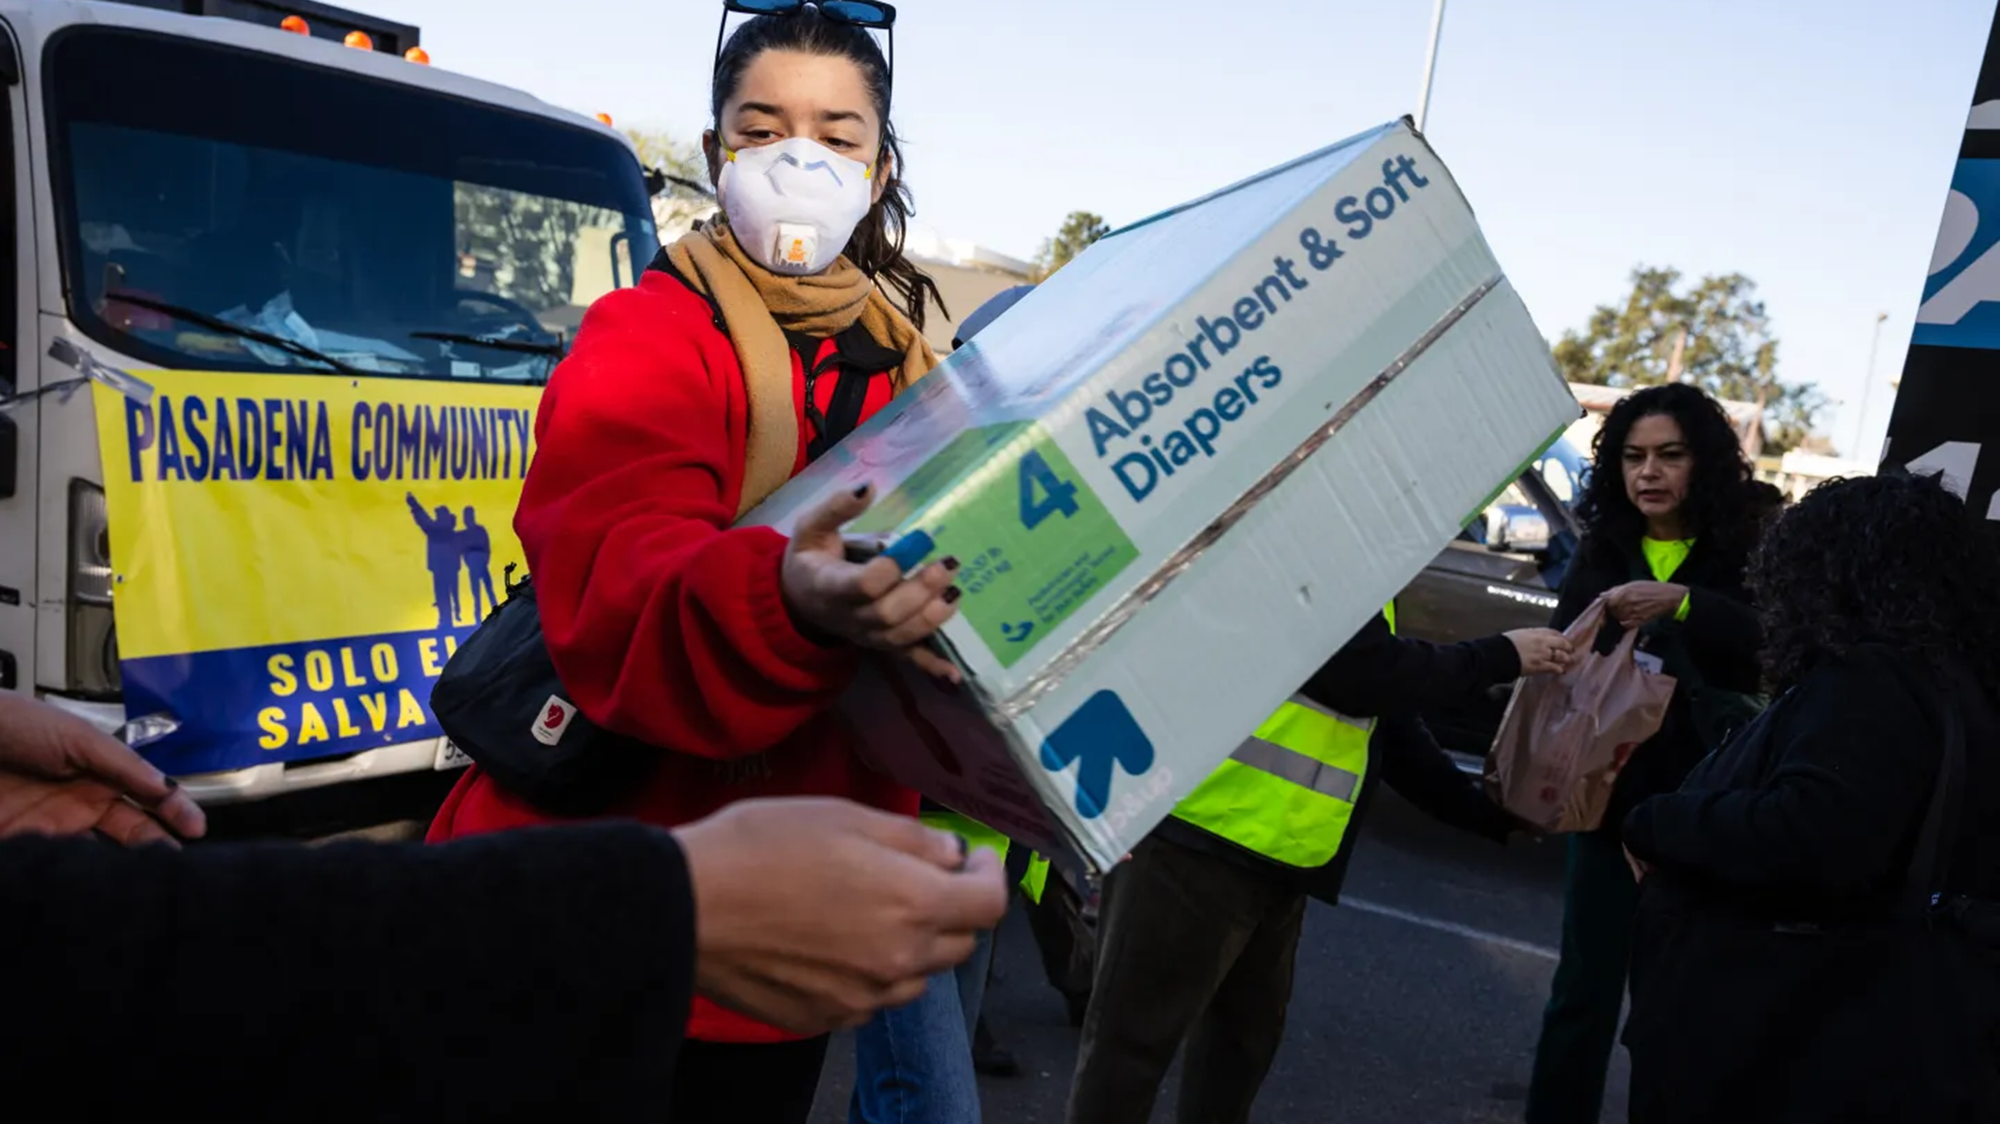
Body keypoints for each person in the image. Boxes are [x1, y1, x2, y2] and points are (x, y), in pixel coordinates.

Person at [427, 4, 961, 1120]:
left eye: (836, 135)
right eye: (762, 131)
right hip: (608, 902)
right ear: (717, 151)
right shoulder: (650, 335)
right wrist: (788, 599)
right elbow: (623, 570)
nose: (798, 162)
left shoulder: (916, 370)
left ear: (879, 168)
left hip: (790, 935)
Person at [0, 693, 1009, 1118]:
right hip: (704, 909)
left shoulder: (903, 365)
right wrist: (653, 906)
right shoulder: (650, 345)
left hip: (769, 917)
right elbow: (108, 968)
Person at [1066, 608, 1572, 1124]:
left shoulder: (1362, 566)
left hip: (1281, 850)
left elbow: (1386, 723)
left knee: (1235, 1055)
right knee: (1130, 1058)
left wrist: (1485, 814)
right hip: (1194, 836)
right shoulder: (1305, 556)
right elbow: (1363, 673)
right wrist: (1500, 655)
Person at [1619, 472, 2000, 1123]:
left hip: (1788, 1047)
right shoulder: (1951, 685)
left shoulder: (1872, 681)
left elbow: (1813, 835)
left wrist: (1658, 821)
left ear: (1826, 576)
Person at [1524, 383, 1767, 1124]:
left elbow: (1779, 641)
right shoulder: (1603, 545)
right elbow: (1566, 653)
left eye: (1669, 455)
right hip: (1607, 804)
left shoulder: (1753, 539)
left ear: (1705, 461)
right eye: (1633, 457)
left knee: (1678, 1011)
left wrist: (1683, 604)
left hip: (1708, 811)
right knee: (1582, 997)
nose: (1649, 472)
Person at [405, 491, 462, 628]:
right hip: (449, 568)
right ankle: (450, 618)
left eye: (438, 514)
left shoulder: (436, 530)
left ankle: (446, 620)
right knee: (448, 594)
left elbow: (423, 519)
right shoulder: (446, 531)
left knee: (443, 595)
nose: (436, 516)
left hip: (442, 568)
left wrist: (414, 504)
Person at [460, 505, 499, 621]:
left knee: (489, 589)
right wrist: (469, 562)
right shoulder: (464, 534)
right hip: (473, 566)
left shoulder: (480, 530)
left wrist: (484, 560)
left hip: (482, 564)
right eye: (465, 516)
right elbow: (463, 550)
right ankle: (477, 617)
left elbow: (486, 546)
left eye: (468, 516)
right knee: (476, 593)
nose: (467, 519)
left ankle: (496, 610)